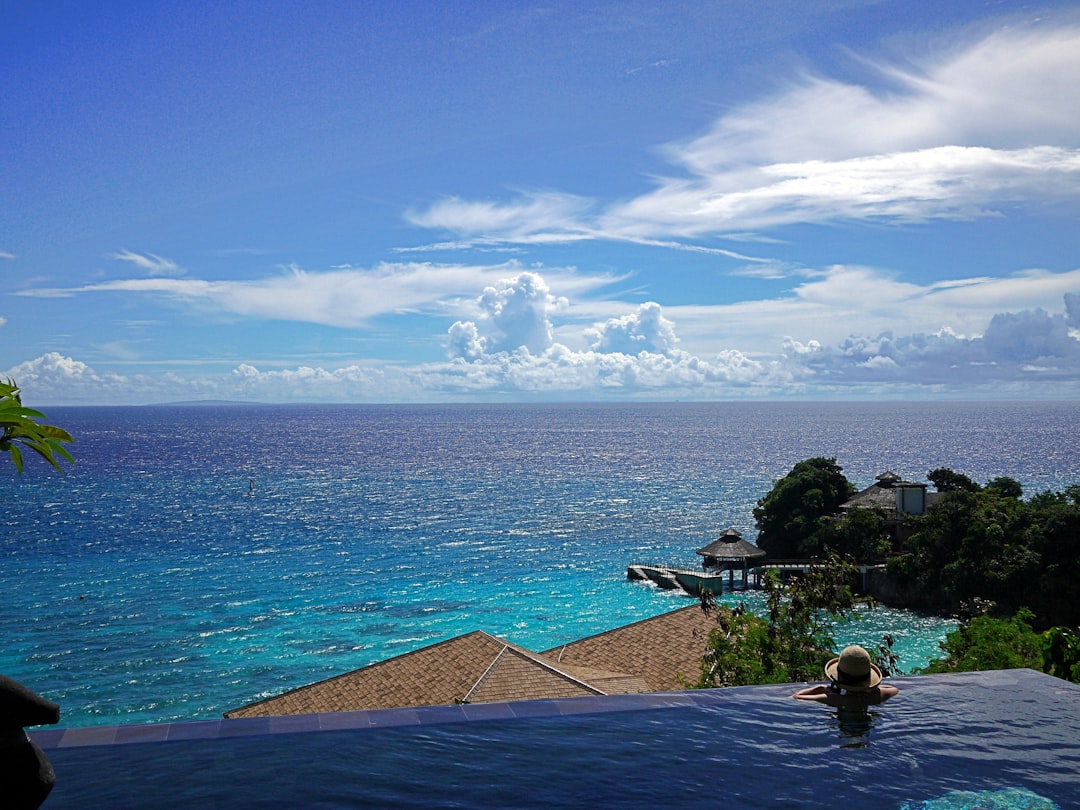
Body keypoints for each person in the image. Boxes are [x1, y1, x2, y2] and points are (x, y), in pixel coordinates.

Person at [791, 645, 898, 707]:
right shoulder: (878, 696)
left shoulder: (835, 699)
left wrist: (820, 689)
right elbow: (894, 690)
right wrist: (872, 689)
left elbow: (795, 697)